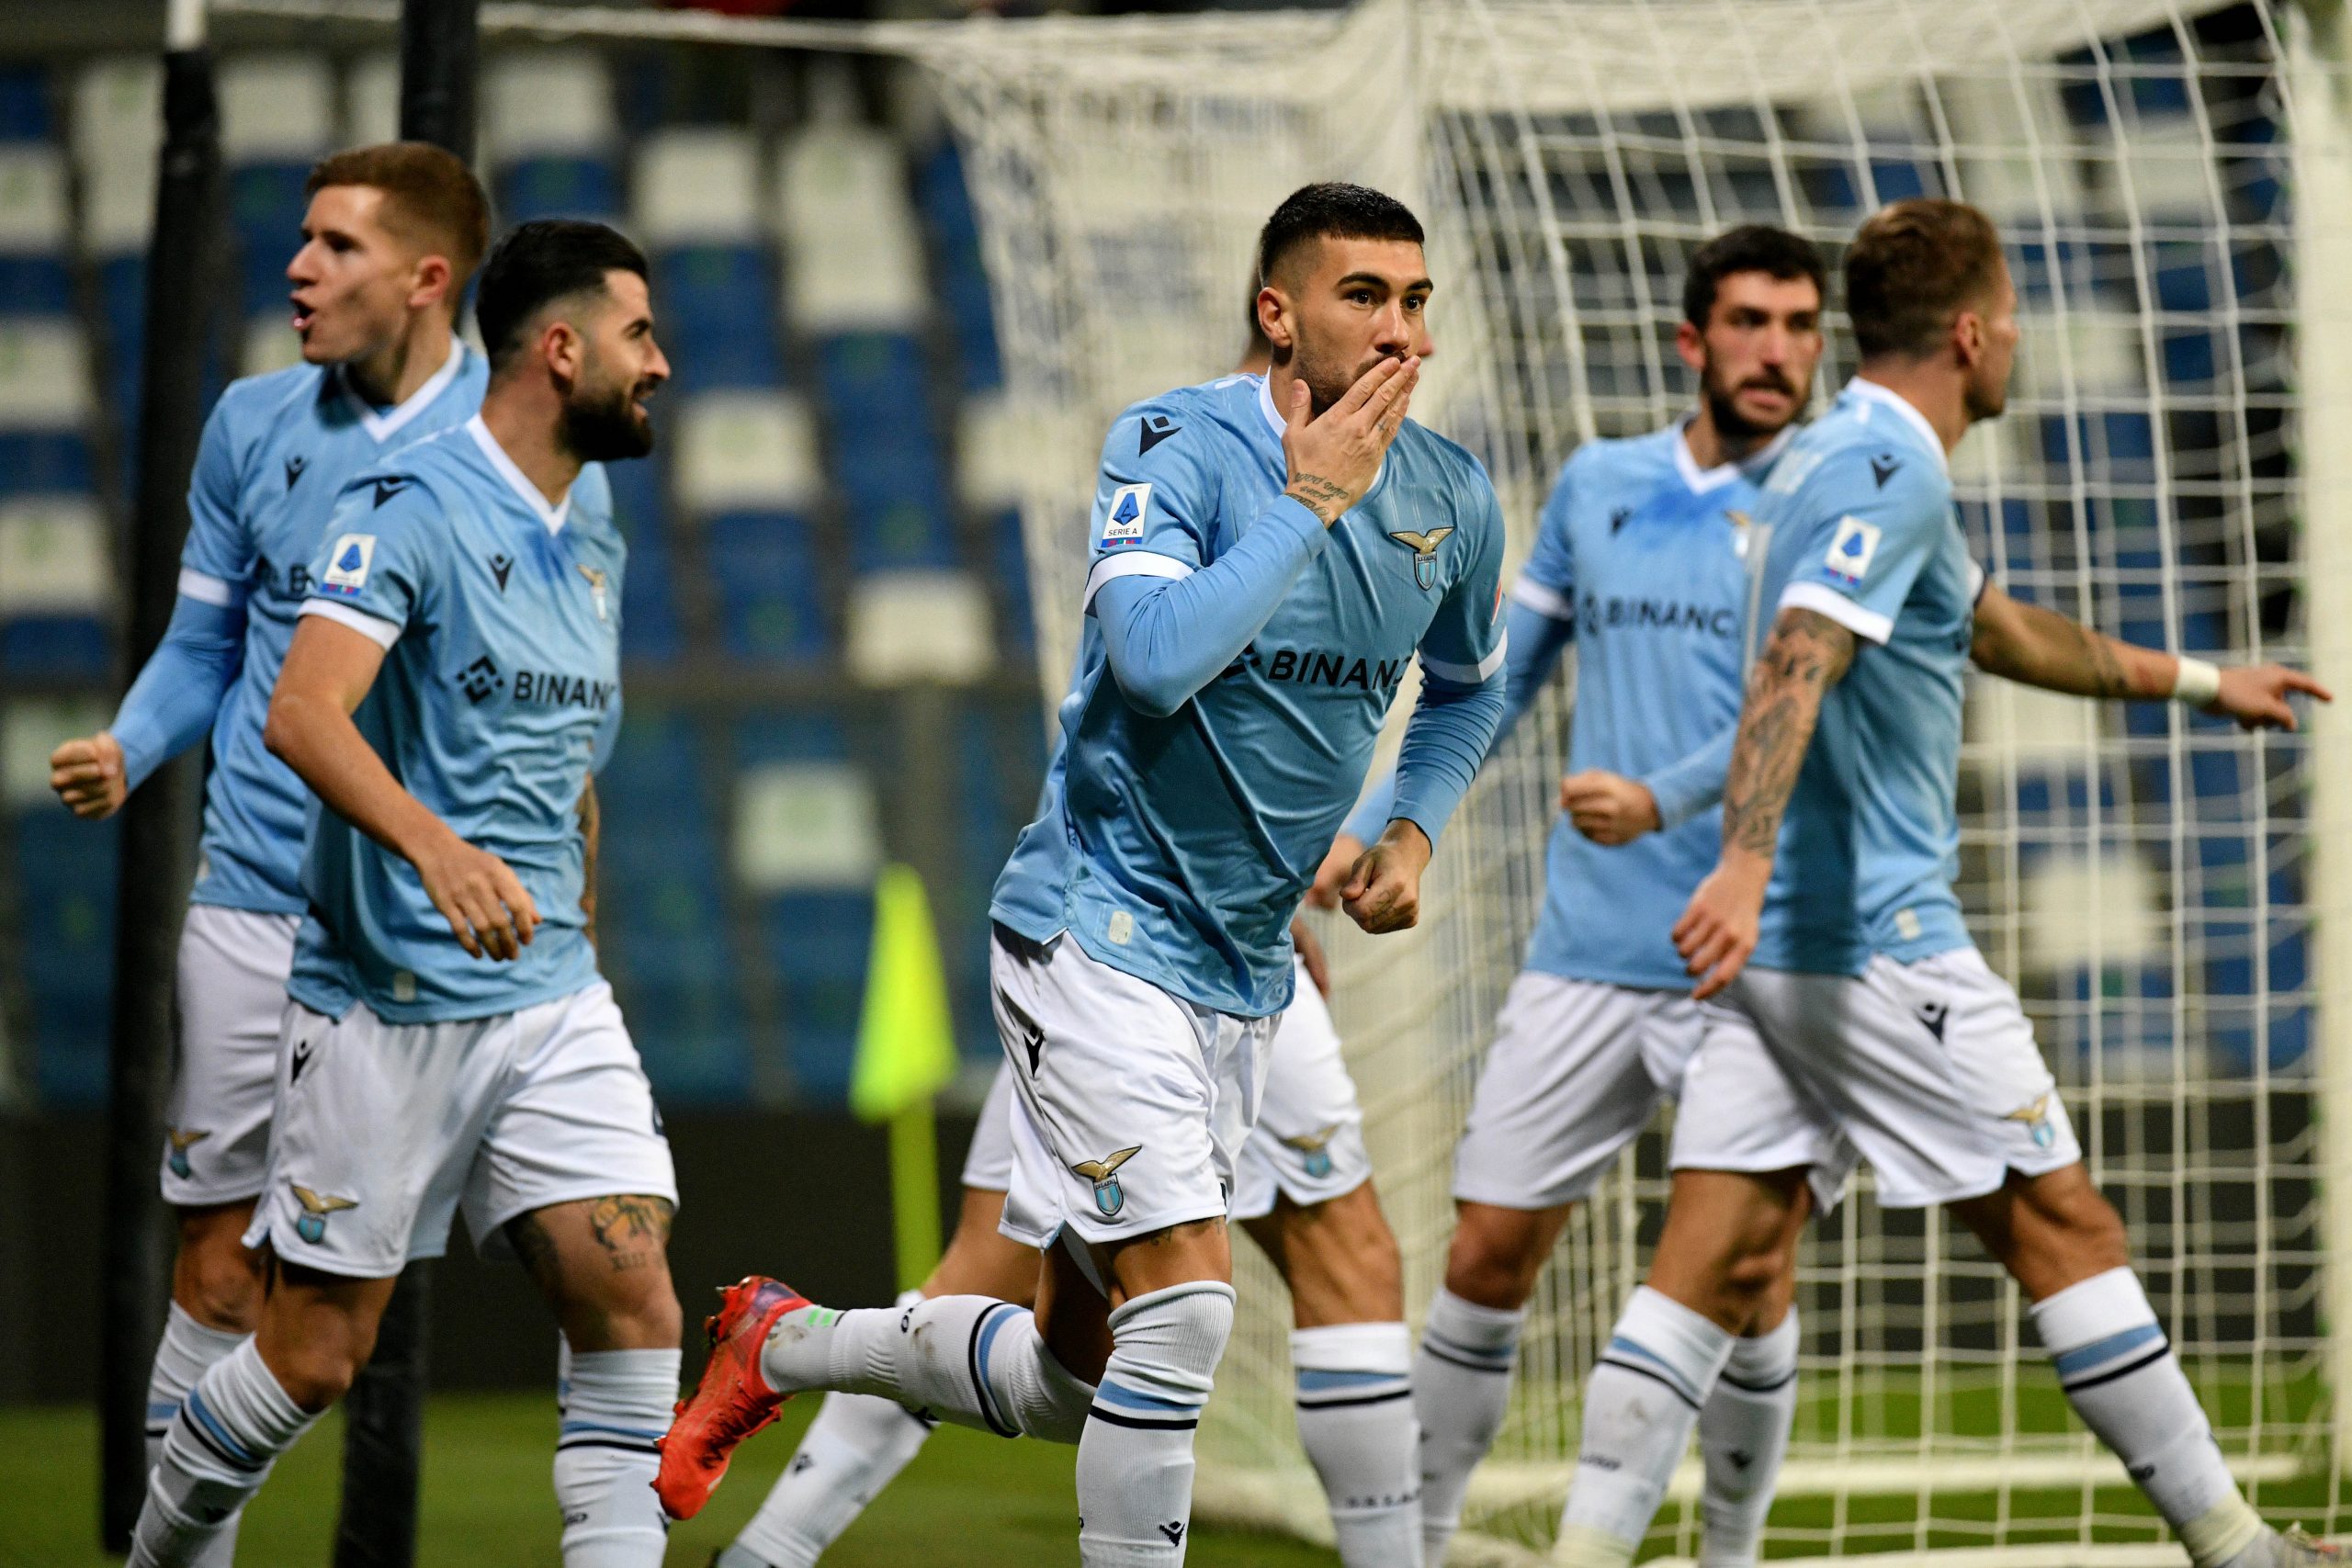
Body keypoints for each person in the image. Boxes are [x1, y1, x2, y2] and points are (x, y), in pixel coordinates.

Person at [661, 181, 1510, 1567]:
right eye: (1364, 297)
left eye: (1416, 301)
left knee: (1080, 1374)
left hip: (1247, 967)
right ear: (1278, 313)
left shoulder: (1453, 497)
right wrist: (1308, 502)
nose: (1400, 332)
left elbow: (1469, 689)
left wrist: (1411, 829)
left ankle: (791, 1341)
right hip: (1097, 931)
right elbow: (1155, 661)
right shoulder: (1171, 446)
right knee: (1189, 1313)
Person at [1558, 197, 2335, 1568]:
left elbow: (1995, 626)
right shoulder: (1885, 473)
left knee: (1705, 1269)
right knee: (2065, 1224)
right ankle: (2240, 1553)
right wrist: (1738, 862)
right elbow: (1797, 657)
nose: (2020, 341)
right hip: (1875, 943)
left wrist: (2205, 682)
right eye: (2014, 319)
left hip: (1786, 960)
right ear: (1972, 334)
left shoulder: (1831, 457)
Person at [128, 218, 680, 1568]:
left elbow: (567, 763)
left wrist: (577, 902)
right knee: (315, 1354)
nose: (660, 363)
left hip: (551, 997)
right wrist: (437, 851)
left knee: (635, 1304)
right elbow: (303, 714)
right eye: (639, 334)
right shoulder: (406, 507)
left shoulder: (593, 530)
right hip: (384, 1001)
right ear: (562, 350)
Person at [1317, 223, 1844, 1567]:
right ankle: (1421, 1546)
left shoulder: (1842, 502)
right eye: (1750, 322)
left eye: (1799, 325)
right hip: (1590, 950)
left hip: (1762, 956)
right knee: (1485, 1256)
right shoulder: (1601, 484)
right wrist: (1377, 827)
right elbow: (1496, 679)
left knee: (1746, 1277)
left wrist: (1661, 795)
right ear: (1693, 341)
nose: (1776, 350)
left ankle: (1729, 1551)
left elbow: (1826, 719)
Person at [49, 141, 491, 1567]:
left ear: (425, 278)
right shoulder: (251, 423)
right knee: (222, 1267)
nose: (297, 268)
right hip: (249, 900)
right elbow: (207, 642)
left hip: (410, 930)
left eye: (336, 245)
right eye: (301, 238)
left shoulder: (512, 438)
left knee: (358, 1314)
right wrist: (131, 745)